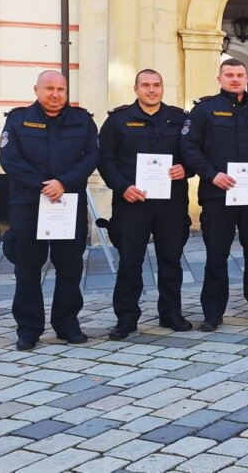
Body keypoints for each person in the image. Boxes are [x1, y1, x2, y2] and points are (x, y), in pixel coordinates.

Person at [0, 70, 98, 350]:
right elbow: (10, 160)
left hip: (67, 203)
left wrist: (63, 183)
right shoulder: (17, 120)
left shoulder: (83, 120)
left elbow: (92, 156)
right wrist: (45, 185)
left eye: (61, 89)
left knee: (70, 267)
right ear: (36, 90)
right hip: (29, 203)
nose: (56, 94)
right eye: (49, 88)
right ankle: (29, 329)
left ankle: (67, 325)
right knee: (28, 268)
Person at [181, 59, 248, 332]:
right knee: (216, 255)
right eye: (229, 75)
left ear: (247, 77)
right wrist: (212, 174)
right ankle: (213, 313)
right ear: (219, 78)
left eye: (239, 75)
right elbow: (189, 147)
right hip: (217, 195)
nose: (235, 79)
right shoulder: (205, 109)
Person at [98, 69, 193, 340]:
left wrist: (185, 168)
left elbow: (196, 152)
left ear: (163, 88)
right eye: (146, 85)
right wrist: (122, 186)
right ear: (136, 88)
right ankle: (126, 318)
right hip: (132, 202)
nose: (151, 90)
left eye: (157, 85)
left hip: (171, 203)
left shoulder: (179, 119)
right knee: (130, 261)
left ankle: (171, 313)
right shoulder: (118, 120)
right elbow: (105, 159)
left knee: (171, 260)